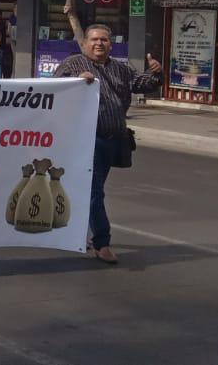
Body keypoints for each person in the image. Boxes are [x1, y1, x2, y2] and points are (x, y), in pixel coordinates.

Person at [54, 24, 162, 265]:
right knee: (94, 191)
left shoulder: (120, 69)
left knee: (91, 190)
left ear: (110, 45)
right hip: (87, 140)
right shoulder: (73, 64)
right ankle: (102, 243)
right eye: (93, 40)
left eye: (103, 40)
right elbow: (55, 87)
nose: (98, 43)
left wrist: (154, 72)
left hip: (113, 140)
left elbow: (140, 84)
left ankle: (75, 231)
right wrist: (76, 81)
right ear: (84, 44)